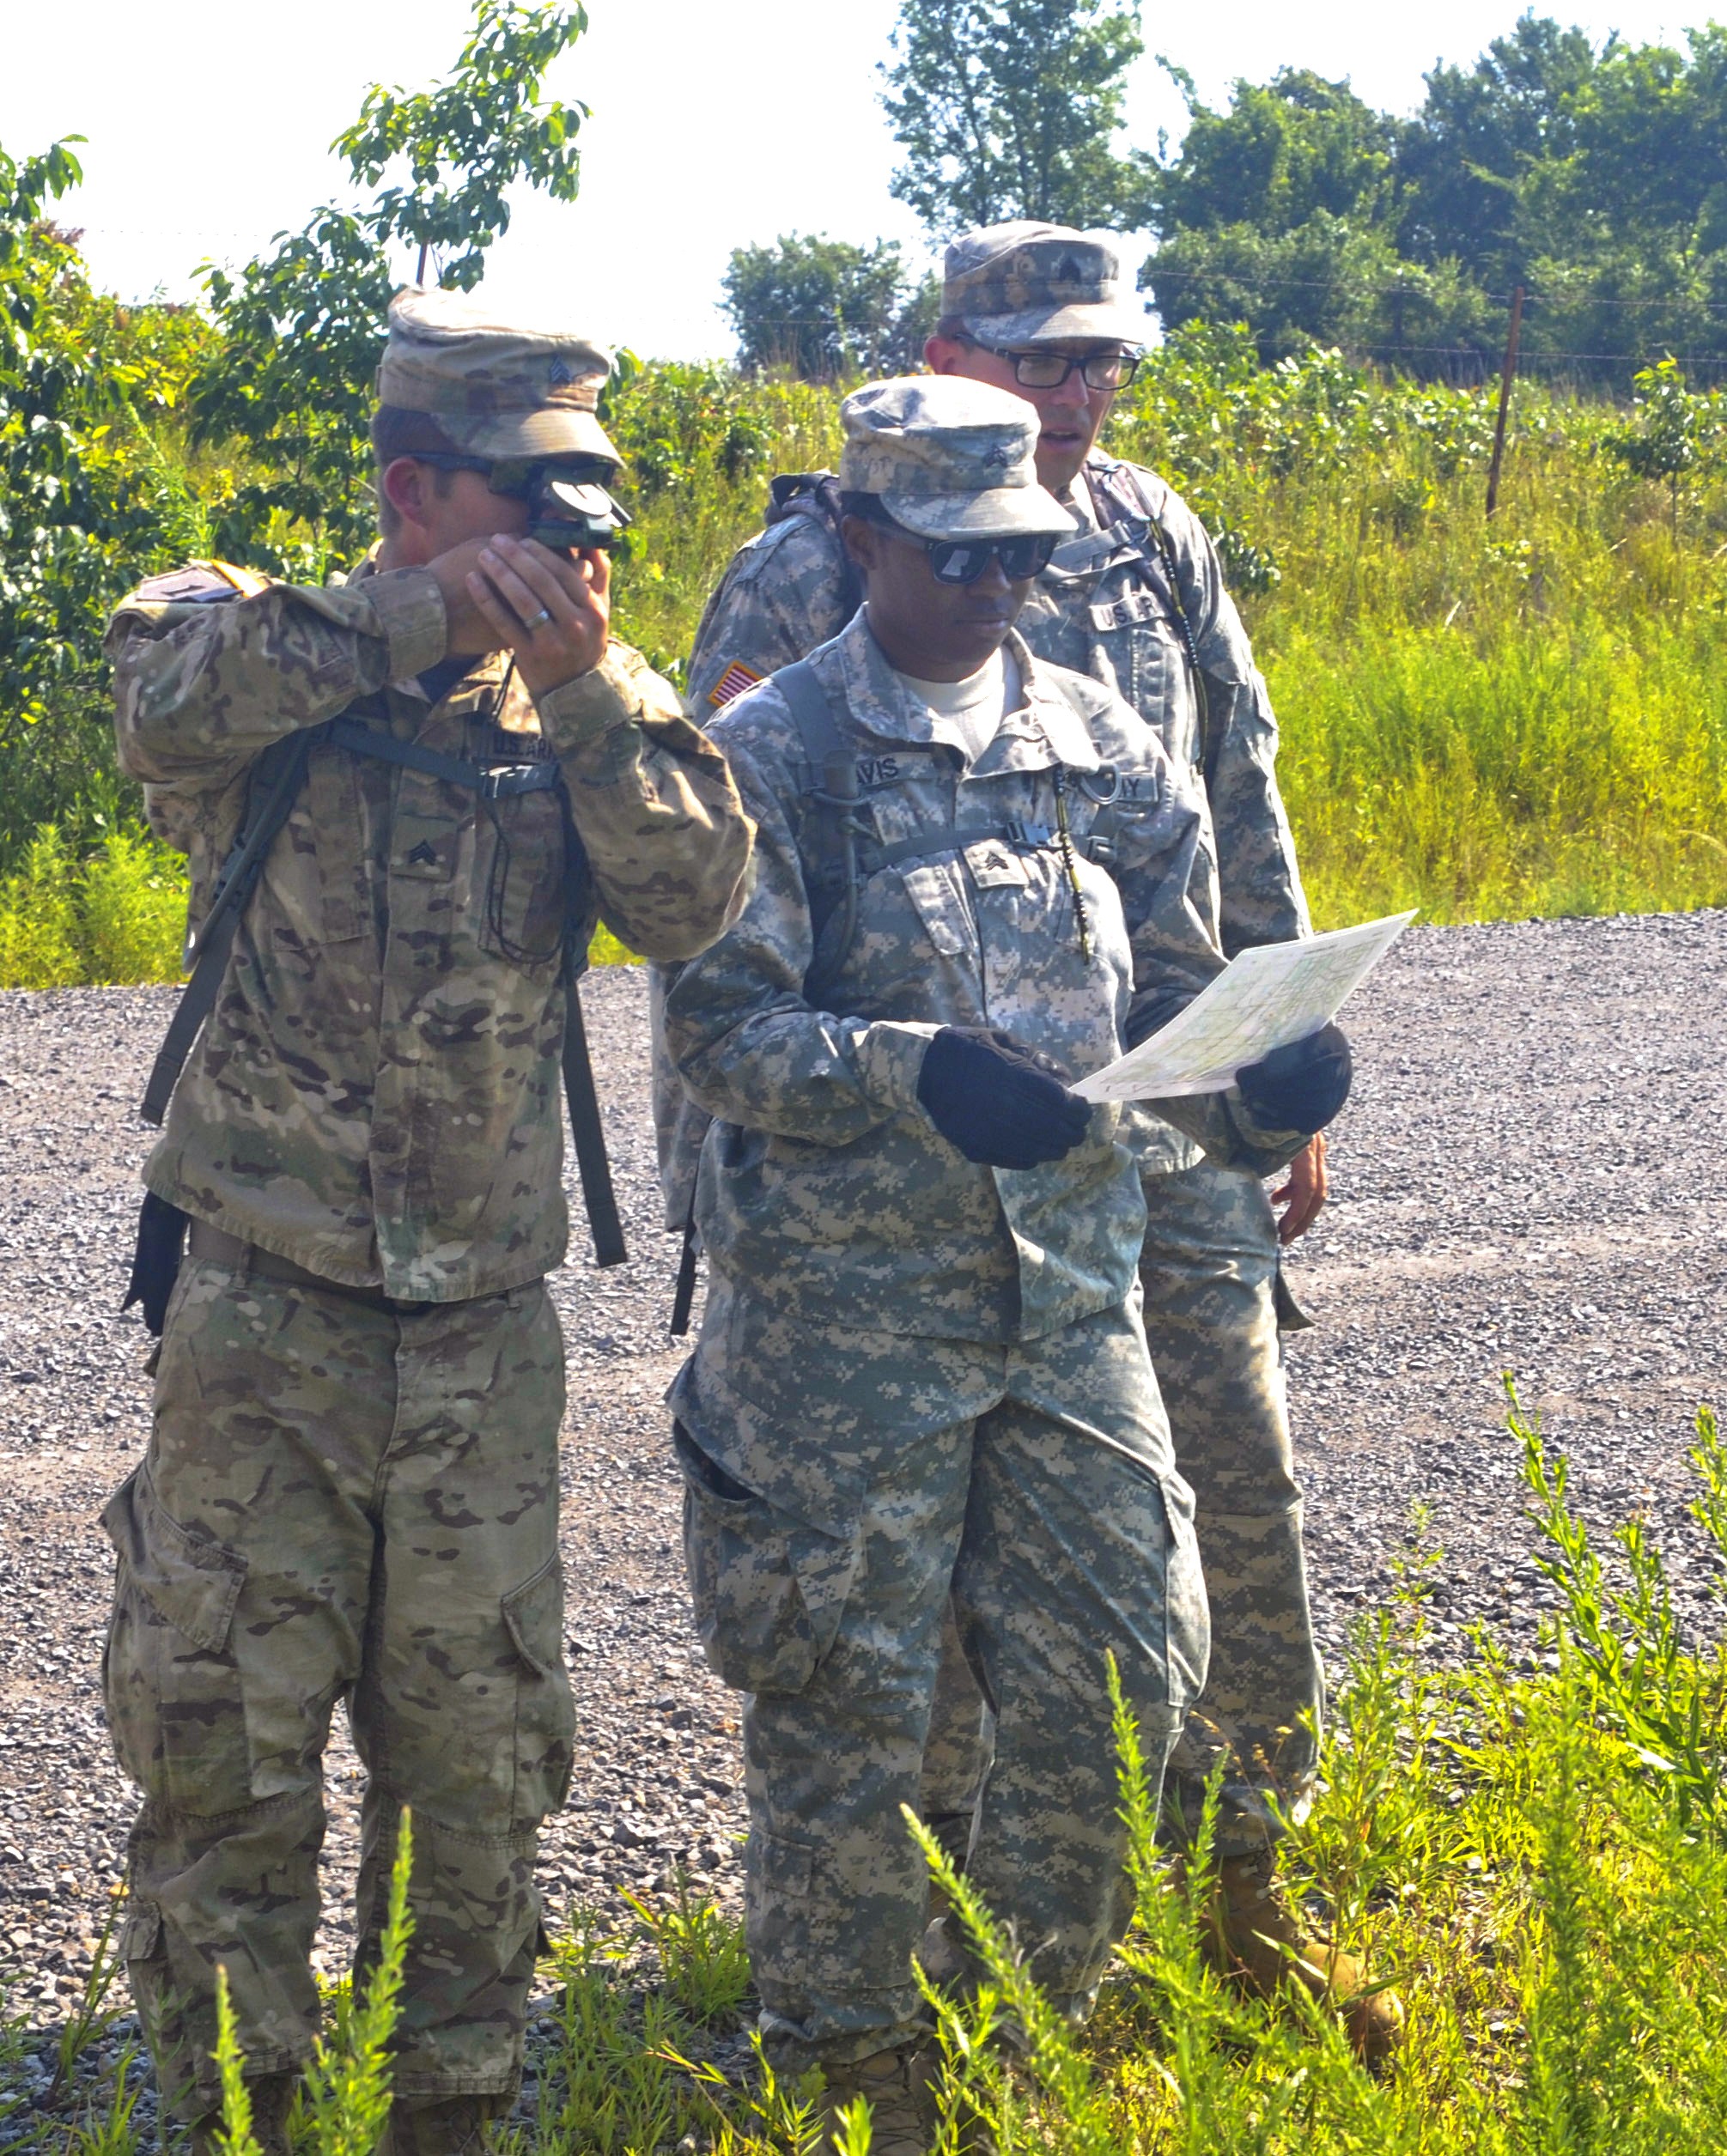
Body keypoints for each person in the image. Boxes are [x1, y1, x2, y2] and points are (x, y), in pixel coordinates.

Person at [662, 222, 1400, 2061]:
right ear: (869, 537)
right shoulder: (784, 707)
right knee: (864, 1689)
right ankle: (856, 2056)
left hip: (1083, 1255)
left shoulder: (1115, 654)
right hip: (860, 1290)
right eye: (958, 553)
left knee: (1156, 1623)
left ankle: (1104, 1978)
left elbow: (1209, 871)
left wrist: (1267, 1069)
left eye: (1022, 557)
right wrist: (901, 1077)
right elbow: (713, 998)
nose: (999, 581)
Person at [100, 289, 754, 2156]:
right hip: (265, 1318)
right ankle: (233, 2124)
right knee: (224, 1760)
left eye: (593, 513)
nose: (579, 548)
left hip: (479, 1336)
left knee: (476, 1779)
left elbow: (699, 895)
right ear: (413, 488)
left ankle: (447, 2124)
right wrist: (414, 616)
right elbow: (165, 706)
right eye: (535, 507)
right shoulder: (249, 636)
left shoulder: (581, 709)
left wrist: (582, 683)